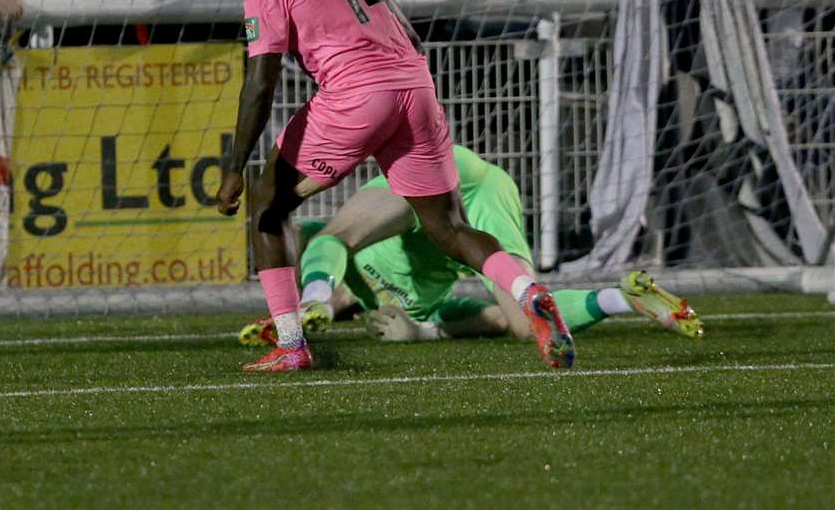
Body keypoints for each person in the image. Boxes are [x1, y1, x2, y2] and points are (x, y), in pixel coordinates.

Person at [213, 0, 573, 373]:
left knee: (268, 201)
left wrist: (234, 165)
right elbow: (409, 31)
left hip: (357, 95)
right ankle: (527, 290)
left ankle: (292, 345)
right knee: (448, 226)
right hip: (415, 85)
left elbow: (260, 82)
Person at [239, 147, 703, 347]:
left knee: (331, 238)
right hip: (477, 204)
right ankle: (623, 296)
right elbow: (496, 318)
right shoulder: (417, 309)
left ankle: (304, 311)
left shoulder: (339, 262)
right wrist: (421, 332)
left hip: (442, 183)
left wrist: (304, 301)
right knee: (525, 323)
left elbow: (310, 239)